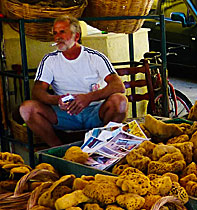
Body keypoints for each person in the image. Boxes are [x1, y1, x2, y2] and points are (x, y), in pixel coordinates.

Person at [19, 16, 128, 147]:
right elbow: (37, 92)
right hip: (65, 114)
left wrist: (88, 98)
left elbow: (118, 86)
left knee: (120, 101)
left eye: (62, 32)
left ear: (76, 36)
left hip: (95, 112)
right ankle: (58, 150)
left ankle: (104, 146)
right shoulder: (50, 60)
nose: (58, 37)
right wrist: (57, 100)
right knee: (27, 109)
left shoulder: (94, 57)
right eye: (55, 33)